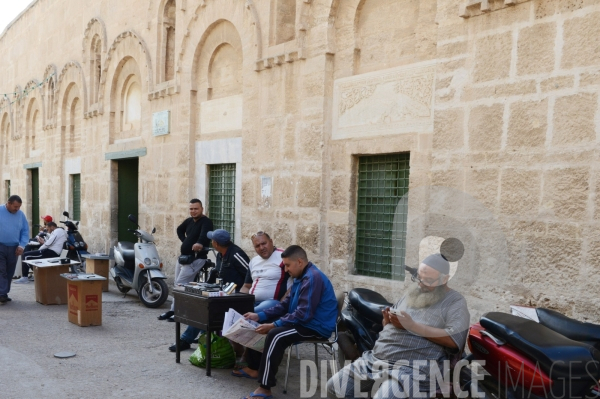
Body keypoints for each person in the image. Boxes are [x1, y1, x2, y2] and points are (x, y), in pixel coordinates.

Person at [326, 253, 470, 399]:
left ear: (444, 279)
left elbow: (454, 339)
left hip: (412, 369)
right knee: (334, 387)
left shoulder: (455, 301)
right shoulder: (413, 292)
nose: (420, 284)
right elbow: (392, 327)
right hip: (375, 360)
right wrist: (387, 322)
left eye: (428, 280)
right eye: (418, 277)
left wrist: (412, 325)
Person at [234, 245, 338, 399]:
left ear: (300, 262)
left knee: (275, 335)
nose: (286, 270)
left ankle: (264, 388)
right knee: (263, 325)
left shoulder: (312, 278)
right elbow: (284, 305)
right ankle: (254, 368)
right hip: (304, 321)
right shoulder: (300, 277)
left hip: (315, 326)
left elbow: (304, 314)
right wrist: (259, 316)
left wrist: (274, 325)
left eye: (288, 265)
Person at [168, 228, 250, 352]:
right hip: (224, 293)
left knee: (204, 310)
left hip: (236, 297)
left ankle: (186, 339)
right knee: (199, 304)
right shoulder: (220, 255)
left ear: (216, 243)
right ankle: (201, 336)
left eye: (212, 240)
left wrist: (239, 292)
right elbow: (219, 273)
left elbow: (250, 274)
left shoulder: (236, 254)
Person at [158, 198, 213, 321]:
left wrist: (199, 243)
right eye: (191, 209)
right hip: (183, 258)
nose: (193, 211)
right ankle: (173, 310)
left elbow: (205, 235)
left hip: (195, 260)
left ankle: (180, 312)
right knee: (177, 284)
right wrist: (186, 241)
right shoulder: (189, 221)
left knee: (181, 285)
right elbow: (179, 229)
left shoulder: (206, 222)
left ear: (202, 209)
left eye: (196, 209)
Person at [241, 231, 290, 313]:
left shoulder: (283, 257)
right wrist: (239, 301)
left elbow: (297, 282)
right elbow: (246, 286)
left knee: (249, 313)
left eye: (264, 243)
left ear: (271, 241)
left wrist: (283, 301)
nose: (261, 248)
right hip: (252, 302)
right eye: (257, 246)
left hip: (273, 303)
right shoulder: (254, 261)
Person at [0, 195, 29, 304]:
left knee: (9, 271)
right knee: (1, 270)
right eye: (15, 206)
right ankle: (1, 293)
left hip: (14, 248)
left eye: (19, 207)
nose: (17, 209)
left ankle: (4, 292)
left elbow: (25, 231)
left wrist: (22, 246)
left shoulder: (21, 215)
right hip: (0, 246)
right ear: (9, 203)